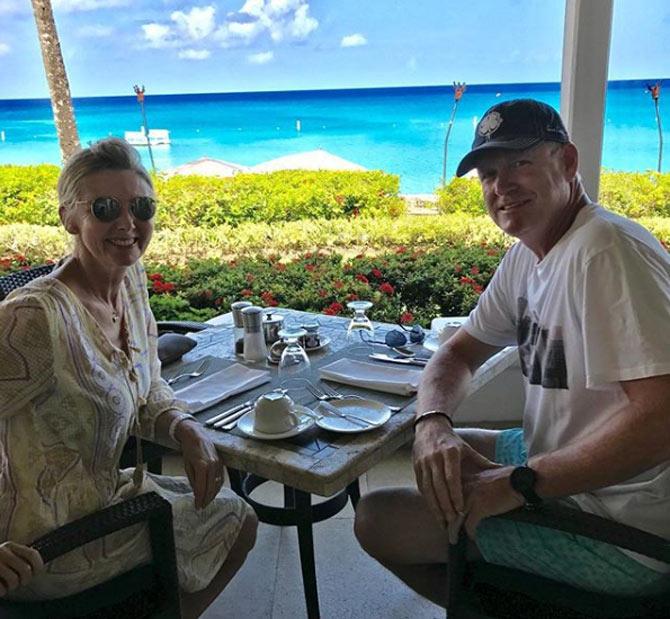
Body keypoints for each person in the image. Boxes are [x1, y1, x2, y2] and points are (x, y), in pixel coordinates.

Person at [354, 99, 670, 605]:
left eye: (521, 163)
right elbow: (456, 354)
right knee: (441, 460)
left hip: (627, 525)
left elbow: (661, 422)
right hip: (564, 463)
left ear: (568, 163)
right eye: (489, 173)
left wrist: (518, 484)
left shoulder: (607, 253)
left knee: (377, 519)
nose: (502, 186)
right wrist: (433, 424)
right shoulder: (531, 254)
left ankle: (512, 601)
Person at [0, 138, 257, 617]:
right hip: (44, 545)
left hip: (103, 497)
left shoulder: (129, 282)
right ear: (69, 219)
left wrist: (186, 427)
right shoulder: (36, 317)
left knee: (226, 506)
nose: (127, 223)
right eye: (104, 208)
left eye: (141, 206)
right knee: (236, 518)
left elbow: (149, 381)